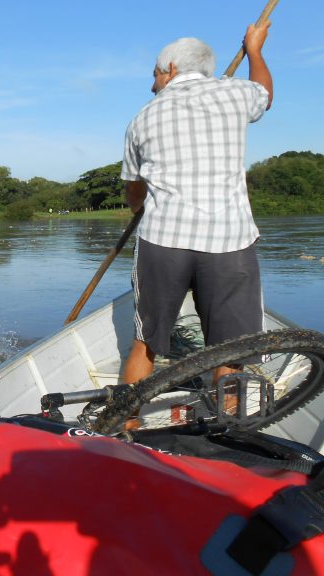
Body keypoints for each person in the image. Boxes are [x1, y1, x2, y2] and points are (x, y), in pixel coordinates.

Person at [120, 22, 273, 390]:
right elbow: (264, 93)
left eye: (155, 74)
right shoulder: (235, 94)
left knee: (145, 344)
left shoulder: (142, 118)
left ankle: (124, 424)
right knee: (231, 351)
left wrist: (137, 205)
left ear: (170, 69)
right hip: (230, 242)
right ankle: (227, 427)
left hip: (163, 241)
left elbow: (133, 191)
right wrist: (255, 50)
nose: (153, 84)